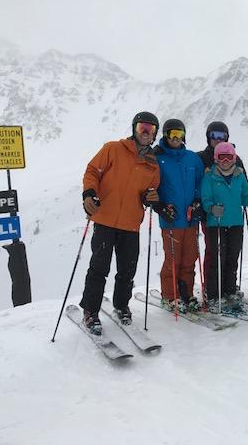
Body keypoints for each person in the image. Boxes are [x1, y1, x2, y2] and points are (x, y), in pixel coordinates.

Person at [79, 111, 160, 334]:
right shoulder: (113, 148)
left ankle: (121, 305)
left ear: (155, 135)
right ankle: (90, 311)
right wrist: (89, 193)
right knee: (99, 267)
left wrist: (149, 197)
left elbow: (150, 190)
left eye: (150, 129)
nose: (145, 132)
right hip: (105, 218)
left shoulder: (152, 164)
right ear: (134, 129)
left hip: (130, 223)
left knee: (127, 269)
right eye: (142, 127)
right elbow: (92, 171)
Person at [201, 142, 248, 312]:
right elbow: (206, 199)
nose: (225, 160)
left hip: (235, 224)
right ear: (216, 158)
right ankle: (213, 295)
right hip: (216, 224)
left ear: (234, 158)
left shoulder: (238, 175)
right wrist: (211, 208)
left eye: (229, 157)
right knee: (217, 260)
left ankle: (229, 291)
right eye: (222, 157)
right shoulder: (209, 176)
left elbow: (244, 196)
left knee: (232, 259)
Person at [154, 118, 205, 313]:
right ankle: (169, 296)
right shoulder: (159, 159)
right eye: (172, 134)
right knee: (172, 260)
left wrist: (198, 201)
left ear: (184, 136)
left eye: (179, 134)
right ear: (165, 136)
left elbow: (200, 183)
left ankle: (187, 294)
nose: (176, 138)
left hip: (191, 218)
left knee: (190, 258)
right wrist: (160, 206)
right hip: (171, 219)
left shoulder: (192, 158)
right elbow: (153, 186)